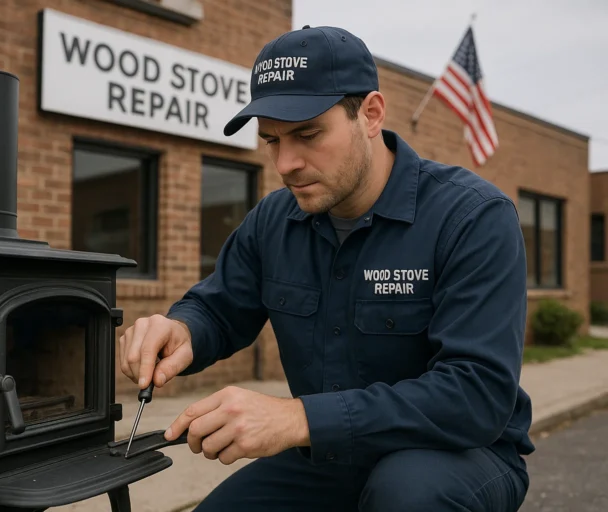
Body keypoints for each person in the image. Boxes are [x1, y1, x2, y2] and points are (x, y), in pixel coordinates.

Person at [118, 24, 534, 511]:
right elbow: (218, 308)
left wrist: (298, 420)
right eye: (271, 140)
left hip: (460, 454)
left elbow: (475, 394)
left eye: (307, 134)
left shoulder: (472, 217)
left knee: (407, 496)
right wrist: (180, 330)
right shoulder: (273, 220)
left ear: (371, 114)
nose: (285, 163)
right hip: (332, 456)